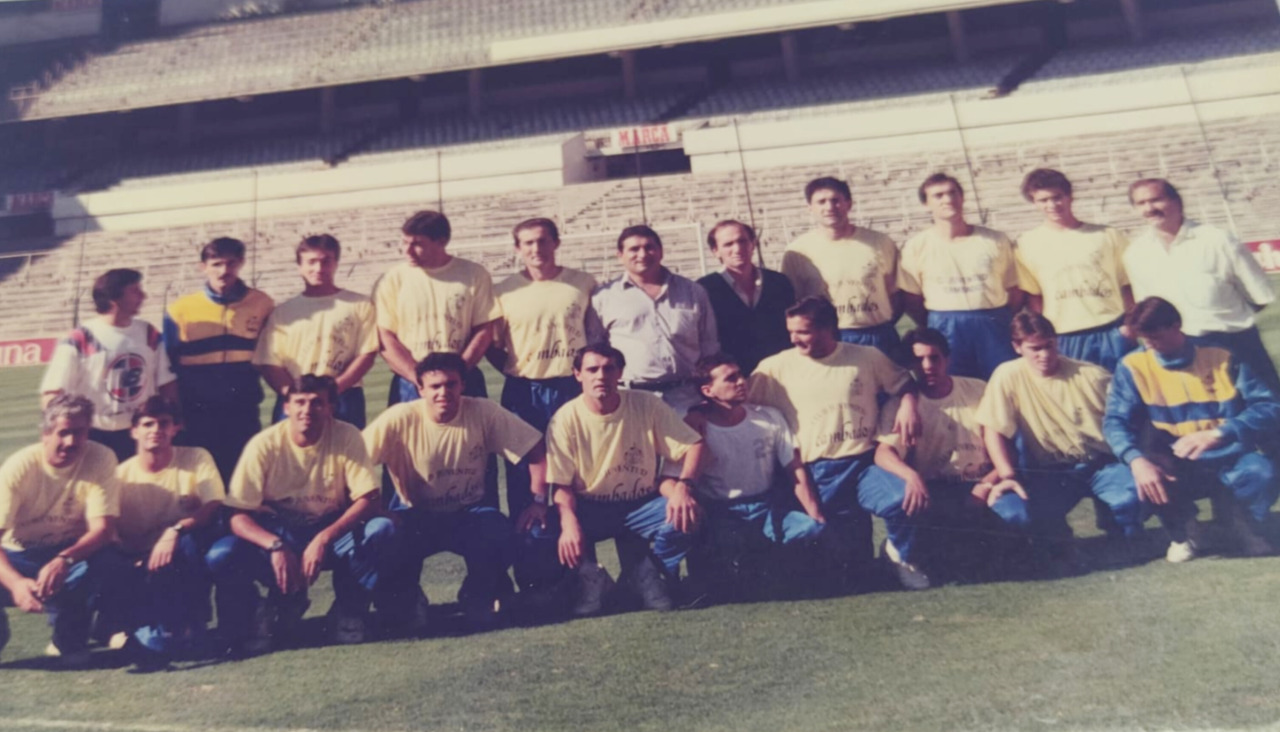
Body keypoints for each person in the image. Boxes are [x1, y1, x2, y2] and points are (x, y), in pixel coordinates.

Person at [749, 297, 929, 590]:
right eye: (791, 332)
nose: (794, 339)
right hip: (815, 473)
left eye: (803, 332)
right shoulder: (774, 368)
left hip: (863, 465)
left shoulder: (866, 357)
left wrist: (909, 405)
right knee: (843, 573)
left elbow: (904, 383)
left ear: (828, 328)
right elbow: (742, 407)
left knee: (902, 498)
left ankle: (899, 556)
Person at [205, 376, 394, 653]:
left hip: (329, 529)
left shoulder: (347, 435)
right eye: (300, 402)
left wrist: (323, 538)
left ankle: (349, 609)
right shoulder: (264, 444)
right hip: (281, 531)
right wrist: (275, 546)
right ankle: (262, 609)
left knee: (381, 530)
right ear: (286, 407)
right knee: (222, 554)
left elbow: (369, 498)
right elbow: (237, 515)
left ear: (330, 407)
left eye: (317, 403)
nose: (307, 410)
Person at [364, 352, 546, 631]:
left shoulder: (483, 411)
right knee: (380, 532)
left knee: (500, 530)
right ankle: (405, 596)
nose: (443, 392)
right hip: (414, 515)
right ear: (420, 388)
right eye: (435, 386)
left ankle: (477, 592)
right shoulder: (399, 417)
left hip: (467, 514)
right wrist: (377, 508)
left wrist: (538, 500)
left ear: (463, 385)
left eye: (451, 384)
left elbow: (535, 449)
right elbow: (353, 464)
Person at [534, 343, 707, 616]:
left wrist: (684, 487)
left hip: (640, 504)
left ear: (620, 373)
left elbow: (693, 444)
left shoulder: (647, 404)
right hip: (590, 506)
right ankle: (592, 578)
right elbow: (561, 486)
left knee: (689, 513)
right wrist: (568, 523)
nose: (600, 376)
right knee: (547, 528)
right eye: (592, 369)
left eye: (608, 369)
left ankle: (647, 573)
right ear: (578, 374)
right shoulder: (564, 419)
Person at [1104, 297, 1280, 562]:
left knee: (1261, 471)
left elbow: (1268, 407)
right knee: (1145, 476)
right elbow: (1115, 421)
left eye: (1155, 337)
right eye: (1144, 339)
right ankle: (1184, 532)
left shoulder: (1222, 355)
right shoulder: (1131, 366)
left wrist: (1221, 433)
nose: (1149, 345)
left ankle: (1239, 522)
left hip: (1228, 455)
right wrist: (1136, 460)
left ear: (1176, 325)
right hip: (1175, 461)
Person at [975, 311, 1143, 569]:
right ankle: (1061, 542)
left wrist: (1139, 461)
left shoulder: (1091, 375)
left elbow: (1129, 416)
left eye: (1049, 345)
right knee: (1034, 524)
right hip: (1053, 471)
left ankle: (1120, 529)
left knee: (1132, 498)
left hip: (1102, 463)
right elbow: (993, 429)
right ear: (1017, 347)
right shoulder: (1007, 375)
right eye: (1035, 349)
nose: (1044, 355)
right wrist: (1007, 475)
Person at [374, 210, 502, 506]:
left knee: (474, 452)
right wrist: (418, 378)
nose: (407, 250)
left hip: (463, 378)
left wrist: (457, 373)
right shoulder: (393, 279)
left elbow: (484, 329)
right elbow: (385, 337)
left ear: (441, 241)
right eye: (404, 242)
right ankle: (404, 521)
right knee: (406, 455)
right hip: (410, 382)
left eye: (417, 243)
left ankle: (482, 517)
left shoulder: (473, 274)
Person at [676, 353, 825, 599]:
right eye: (730, 378)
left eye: (740, 375)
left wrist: (815, 515)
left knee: (810, 530)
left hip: (765, 506)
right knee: (731, 556)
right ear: (708, 390)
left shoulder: (769, 417)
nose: (741, 382)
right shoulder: (697, 429)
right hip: (723, 512)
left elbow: (794, 469)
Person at [873, 328, 1011, 577]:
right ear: (909, 364)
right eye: (918, 360)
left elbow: (1005, 444)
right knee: (943, 555)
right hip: (936, 489)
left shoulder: (977, 389)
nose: (927, 366)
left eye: (934, 357)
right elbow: (883, 453)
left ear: (947, 358)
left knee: (1012, 526)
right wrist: (911, 476)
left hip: (982, 484)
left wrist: (987, 483)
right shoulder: (901, 406)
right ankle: (899, 548)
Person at [0, 395, 124, 667]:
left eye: (79, 432)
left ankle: (69, 636)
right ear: (45, 434)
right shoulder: (19, 467)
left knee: (108, 559)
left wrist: (64, 559)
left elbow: (103, 529)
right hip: (19, 554)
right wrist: (16, 583)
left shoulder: (101, 457)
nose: (71, 441)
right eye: (63, 432)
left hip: (69, 552)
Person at [1126, 178, 1280, 395]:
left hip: (1235, 342)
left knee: (1266, 407)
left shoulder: (1218, 239)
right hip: (1182, 349)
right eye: (1141, 203)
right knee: (1211, 413)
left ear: (1176, 201)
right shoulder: (1136, 253)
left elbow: (1259, 295)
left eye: (1156, 200)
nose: (1149, 208)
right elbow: (1148, 309)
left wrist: (1224, 321)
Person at [489, 218, 595, 527]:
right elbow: (491, 345)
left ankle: (580, 549)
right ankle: (530, 549)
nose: (536, 248)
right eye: (528, 243)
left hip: (572, 387)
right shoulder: (503, 291)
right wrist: (519, 370)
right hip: (524, 390)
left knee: (579, 468)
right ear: (517, 248)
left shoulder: (582, 283)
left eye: (543, 240)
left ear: (556, 243)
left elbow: (595, 336)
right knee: (524, 471)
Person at [113, 396, 224, 668]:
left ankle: (194, 622)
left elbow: (213, 504)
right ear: (134, 431)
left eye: (164, 423)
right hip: (139, 560)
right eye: (147, 424)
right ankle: (121, 627)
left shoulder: (196, 457)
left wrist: (174, 530)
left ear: (176, 428)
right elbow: (109, 527)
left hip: (180, 549)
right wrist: (129, 559)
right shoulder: (120, 476)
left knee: (189, 542)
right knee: (155, 644)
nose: (156, 430)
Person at [165, 237, 274, 481]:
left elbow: (269, 353)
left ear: (241, 263)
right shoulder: (180, 309)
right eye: (216, 264)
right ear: (203, 267)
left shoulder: (262, 303)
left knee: (242, 474)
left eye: (231, 263)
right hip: (196, 409)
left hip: (242, 407)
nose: (224, 271)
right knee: (200, 476)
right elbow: (168, 365)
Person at [41, 268, 177, 462]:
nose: (143, 296)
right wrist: (59, 432)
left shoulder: (149, 333)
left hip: (140, 433)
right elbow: (52, 394)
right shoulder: (81, 338)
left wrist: (173, 421)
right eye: (135, 291)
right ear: (114, 298)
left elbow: (166, 383)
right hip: (93, 434)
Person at [900, 174, 1019, 380]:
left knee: (1004, 381)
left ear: (962, 197)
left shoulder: (994, 240)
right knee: (954, 383)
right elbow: (912, 297)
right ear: (926, 204)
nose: (947, 199)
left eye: (952, 193)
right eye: (938, 196)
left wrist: (1000, 318)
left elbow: (1014, 288)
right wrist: (936, 322)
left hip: (992, 322)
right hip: (945, 324)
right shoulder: (916, 246)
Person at [590, 225, 719, 413]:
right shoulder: (603, 298)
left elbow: (709, 345)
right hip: (631, 396)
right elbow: (596, 350)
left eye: (649, 247)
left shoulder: (693, 291)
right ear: (620, 255)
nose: (642, 254)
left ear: (661, 252)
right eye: (634, 249)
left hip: (687, 397)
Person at [1014, 169, 1134, 371]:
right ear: (1034, 202)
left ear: (1070, 196)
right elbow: (1034, 297)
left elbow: (1128, 285)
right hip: (1064, 336)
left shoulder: (1107, 235)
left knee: (1123, 387)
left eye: (1057, 197)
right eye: (1043, 200)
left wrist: (1129, 326)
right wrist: (1045, 335)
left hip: (1112, 329)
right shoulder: (1026, 244)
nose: (1052, 205)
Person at [254, 234, 378, 428]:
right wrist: (295, 395)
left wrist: (333, 390)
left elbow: (367, 354)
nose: (319, 268)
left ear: (336, 263)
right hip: (296, 398)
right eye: (311, 262)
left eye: (326, 261)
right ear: (300, 266)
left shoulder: (360, 304)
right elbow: (269, 363)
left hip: (344, 396)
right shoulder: (283, 312)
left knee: (346, 448)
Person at [781, 177, 901, 357]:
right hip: (827, 337)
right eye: (821, 201)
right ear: (810, 207)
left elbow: (897, 294)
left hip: (877, 333)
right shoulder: (797, 252)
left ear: (848, 204)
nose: (829, 207)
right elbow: (793, 303)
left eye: (835, 200)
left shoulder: (879, 242)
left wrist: (884, 323)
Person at [696, 220, 795, 374]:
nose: (737, 249)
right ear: (715, 251)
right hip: (735, 378)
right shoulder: (704, 289)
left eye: (742, 241)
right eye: (728, 244)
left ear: (753, 244)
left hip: (781, 372)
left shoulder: (779, 282)